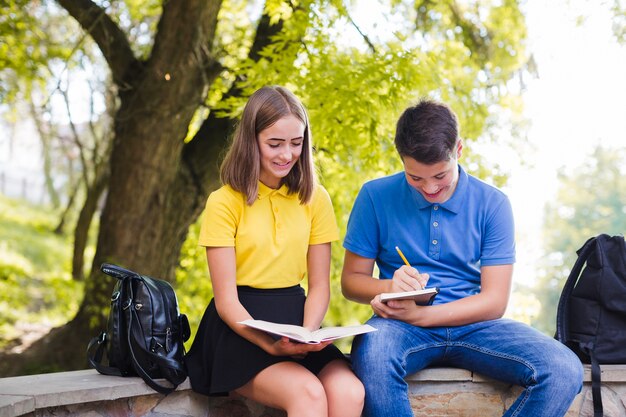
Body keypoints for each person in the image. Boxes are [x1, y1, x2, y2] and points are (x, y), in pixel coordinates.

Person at [341, 99, 583, 417]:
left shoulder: (493, 204)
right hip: (399, 326)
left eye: (440, 176)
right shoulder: (375, 196)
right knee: (372, 355)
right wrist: (389, 286)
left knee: (564, 368)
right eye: (415, 178)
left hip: (476, 325)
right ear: (401, 159)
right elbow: (351, 283)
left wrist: (422, 316)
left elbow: (494, 301)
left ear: (459, 150)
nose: (429, 188)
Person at [184, 85, 364, 417]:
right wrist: (268, 343)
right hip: (240, 328)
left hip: (298, 323)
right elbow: (226, 300)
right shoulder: (223, 202)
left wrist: (308, 335)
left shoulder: (315, 198)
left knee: (349, 391)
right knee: (308, 394)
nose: (286, 154)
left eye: (296, 143)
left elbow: (320, 286)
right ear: (251, 140)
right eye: (275, 144)